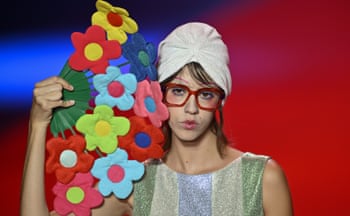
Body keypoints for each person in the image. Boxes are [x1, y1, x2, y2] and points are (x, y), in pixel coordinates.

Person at [21, 22, 293, 216]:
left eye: (206, 94)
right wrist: (38, 124)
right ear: (158, 94)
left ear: (221, 98)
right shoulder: (136, 180)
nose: (191, 108)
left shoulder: (262, 178)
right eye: (178, 90)